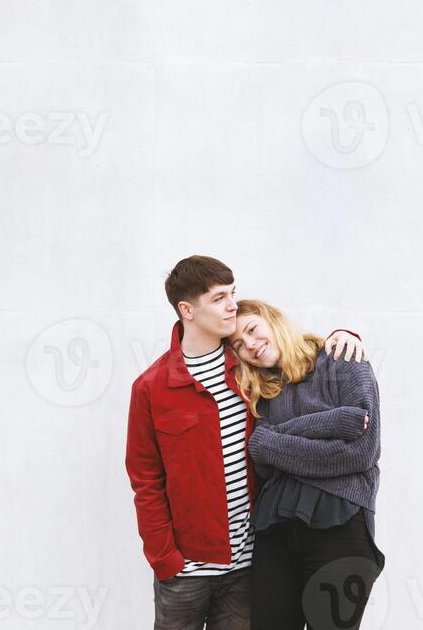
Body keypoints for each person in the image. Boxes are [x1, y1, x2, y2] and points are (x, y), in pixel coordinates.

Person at [125, 255, 366, 630]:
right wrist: (165, 558)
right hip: (186, 569)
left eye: (232, 293)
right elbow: (145, 479)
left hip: (252, 563)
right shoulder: (151, 388)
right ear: (187, 310)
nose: (231, 304)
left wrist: (343, 335)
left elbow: (301, 359)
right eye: (219, 298)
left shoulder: (251, 370)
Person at [231, 298, 385, 630]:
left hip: (341, 524)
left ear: (274, 320)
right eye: (239, 346)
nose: (251, 346)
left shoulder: (344, 360)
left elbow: (362, 451)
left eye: (253, 330)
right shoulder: (263, 390)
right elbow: (261, 457)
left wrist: (275, 440)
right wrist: (336, 422)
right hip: (275, 531)